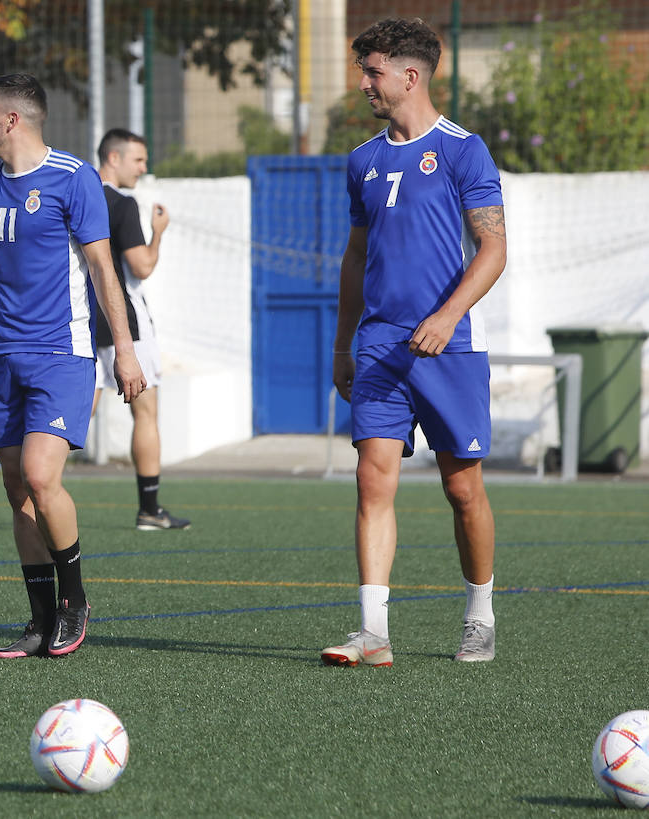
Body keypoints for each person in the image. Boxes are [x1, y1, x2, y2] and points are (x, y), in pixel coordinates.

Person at [0, 74, 146, 659]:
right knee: (17, 490)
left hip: (60, 355)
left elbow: (102, 271)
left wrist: (124, 349)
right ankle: (40, 618)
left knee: (43, 479)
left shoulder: (75, 179)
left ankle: (74, 602)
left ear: (12, 120)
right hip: (0, 355)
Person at [322, 17, 506, 668]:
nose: (365, 83)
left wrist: (450, 315)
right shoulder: (362, 161)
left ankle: (479, 614)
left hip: (450, 348)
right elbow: (355, 257)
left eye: (372, 71)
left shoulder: (463, 150)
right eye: (363, 70)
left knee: (463, 490)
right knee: (373, 482)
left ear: (410, 74)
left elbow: (494, 248)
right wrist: (345, 344)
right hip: (379, 347)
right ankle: (373, 632)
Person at [91, 128, 190, 532]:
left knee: (79, 412)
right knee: (146, 411)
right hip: (123, 324)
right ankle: (150, 509)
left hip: (80, 320)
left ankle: (41, 496)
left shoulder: (72, 197)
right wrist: (159, 233)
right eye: (138, 160)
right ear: (113, 158)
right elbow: (141, 267)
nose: (143, 169)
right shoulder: (121, 203)